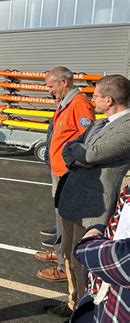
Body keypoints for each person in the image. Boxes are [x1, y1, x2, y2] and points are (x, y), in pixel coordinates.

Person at [50, 75, 130, 318]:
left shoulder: (126, 127)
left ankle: (89, 308)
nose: (91, 100)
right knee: (70, 256)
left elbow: (93, 154)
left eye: (95, 96)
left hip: (96, 207)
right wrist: (80, 156)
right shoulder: (101, 123)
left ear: (109, 99)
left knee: (89, 262)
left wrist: (83, 156)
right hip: (75, 202)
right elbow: (69, 147)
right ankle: (73, 303)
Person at [36, 67, 95, 288]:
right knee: (61, 216)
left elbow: (87, 140)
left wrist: (72, 163)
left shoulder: (79, 104)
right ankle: (60, 254)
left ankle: (63, 266)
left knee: (67, 221)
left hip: (68, 172)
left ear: (64, 82)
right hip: (60, 169)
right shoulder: (66, 103)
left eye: (51, 86)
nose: (49, 91)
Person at [70, 182, 129, 323]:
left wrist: (86, 245)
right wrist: (103, 231)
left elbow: (123, 262)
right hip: (105, 294)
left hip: (119, 306)